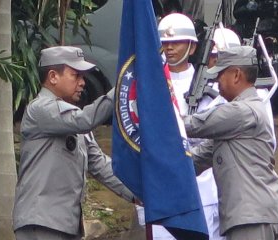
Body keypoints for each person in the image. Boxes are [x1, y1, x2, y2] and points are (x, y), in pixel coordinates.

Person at [12, 46, 135, 240]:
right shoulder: (41, 109)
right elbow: (86, 120)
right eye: (76, 75)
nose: (82, 83)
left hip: (64, 225)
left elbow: (100, 165)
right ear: (53, 76)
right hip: (41, 223)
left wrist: (138, 193)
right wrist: (126, 83)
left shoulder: (71, 118)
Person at [135, 12, 226, 240]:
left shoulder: (210, 89)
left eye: (176, 42)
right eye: (164, 43)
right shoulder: (147, 85)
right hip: (161, 186)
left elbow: (213, 136)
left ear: (192, 48)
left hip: (200, 187)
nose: (170, 48)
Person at [183, 46, 278, 240]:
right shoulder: (236, 122)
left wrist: (150, 117)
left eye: (220, 74)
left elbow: (190, 125)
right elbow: (195, 159)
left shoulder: (241, 111)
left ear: (236, 75)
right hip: (254, 216)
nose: (216, 81)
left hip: (252, 218)